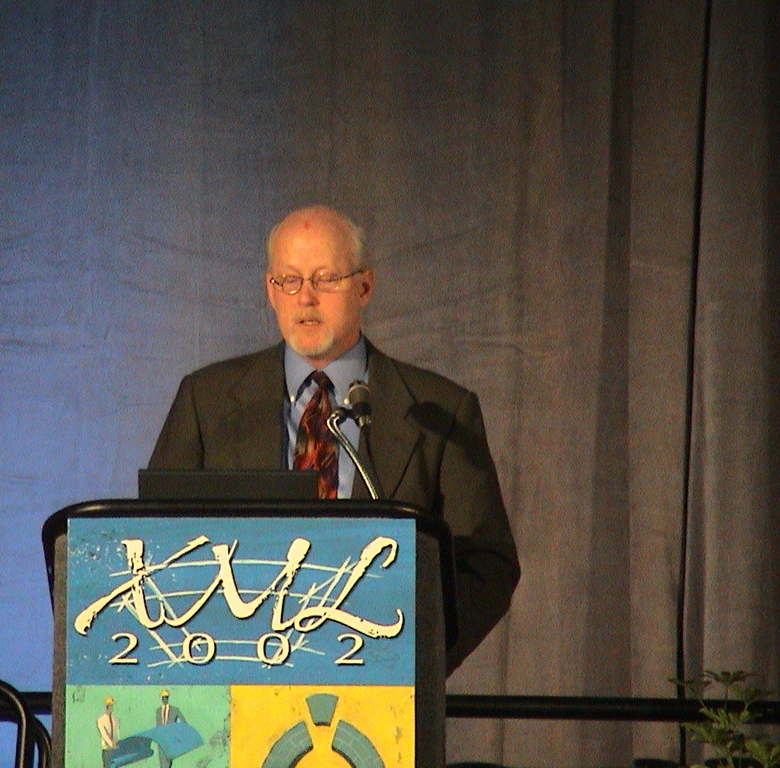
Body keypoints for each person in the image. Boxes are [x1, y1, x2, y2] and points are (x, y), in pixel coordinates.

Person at [148, 204, 519, 673]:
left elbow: (486, 566)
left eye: (325, 279)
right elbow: (157, 548)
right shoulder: (206, 401)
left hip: (382, 686)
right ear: (271, 291)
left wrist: (408, 658)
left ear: (364, 287)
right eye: (290, 280)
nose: (306, 298)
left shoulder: (440, 413)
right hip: (234, 677)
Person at [154, 690, 186, 768]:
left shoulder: (175, 710)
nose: (164, 699)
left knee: (168, 761)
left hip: (170, 738)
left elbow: (184, 722)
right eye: (163, 698)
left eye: (165, 697)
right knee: (162, 761)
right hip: (161, 739)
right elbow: (157, 725)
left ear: (167, 698)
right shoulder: (158, 711)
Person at [96, 696, 119, 768]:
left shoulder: (115, 720)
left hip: (115, 749)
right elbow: (104, 734)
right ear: (107, 706)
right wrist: (111, 744)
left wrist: (116, 744)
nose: (112, 708)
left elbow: (117, 733)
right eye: (110, 706)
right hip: (106, 749)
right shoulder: (101, 720)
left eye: (112, 706)